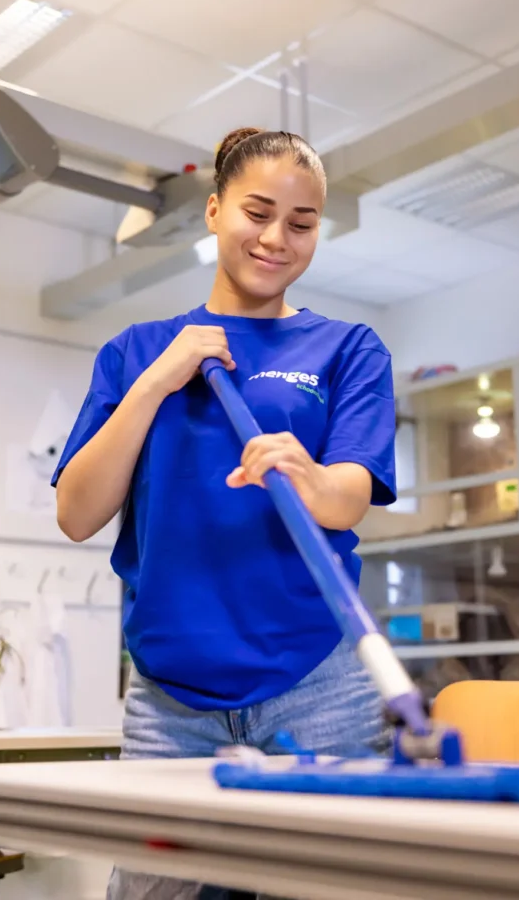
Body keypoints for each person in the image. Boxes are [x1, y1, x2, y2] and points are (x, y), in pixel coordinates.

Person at [54, 127, 397, 900]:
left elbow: (349, 498)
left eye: (302, 223)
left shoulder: (346, 348)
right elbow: (77, 514)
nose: (277, 238)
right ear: (212, 212)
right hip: (170, 700)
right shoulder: (135, 350)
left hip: (318, 688)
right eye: (257, 212)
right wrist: (158, 381)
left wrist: (307, 475)